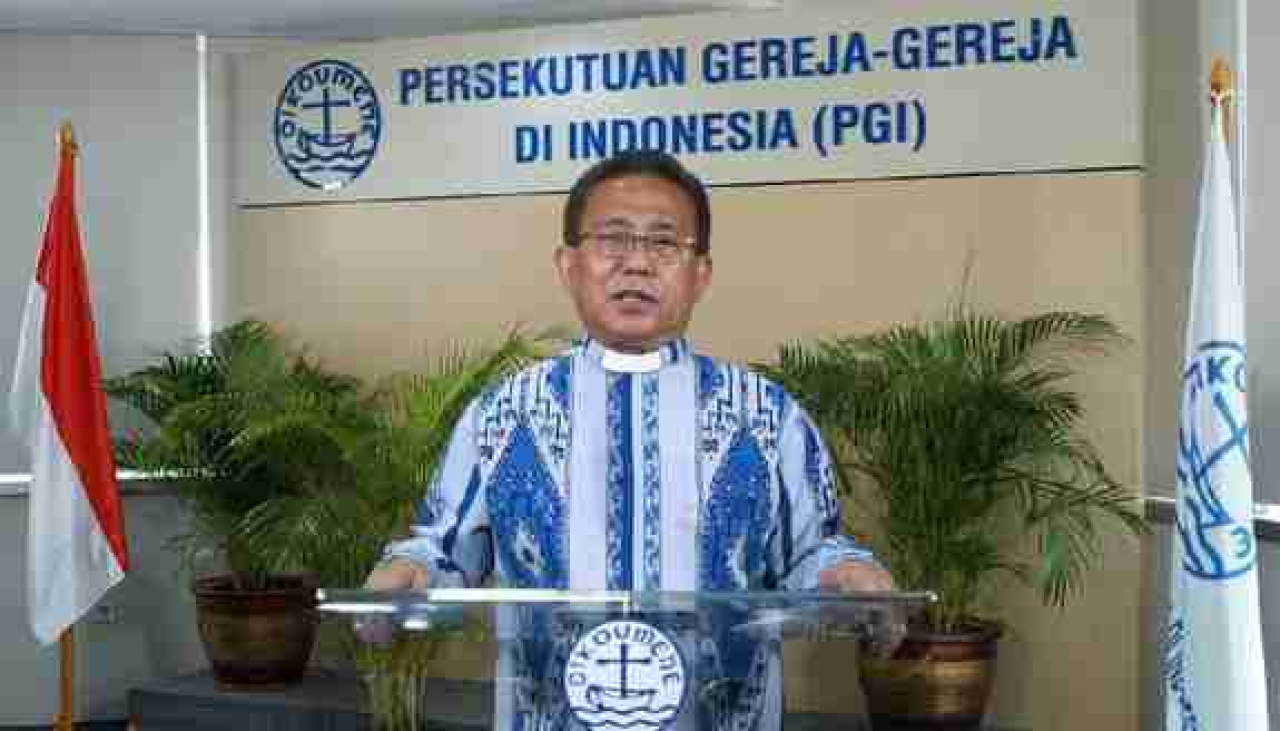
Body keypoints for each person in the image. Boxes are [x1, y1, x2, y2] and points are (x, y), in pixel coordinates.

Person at [363, 149, 895, 728]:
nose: (636, 263)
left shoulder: (767, 416)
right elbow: (444, 551)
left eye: (664, 243)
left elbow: (813, 552)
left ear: (700, 274)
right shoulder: (503, 414)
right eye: (612, 239)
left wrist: (845, 575)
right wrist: (408, 572)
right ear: (568, 264)